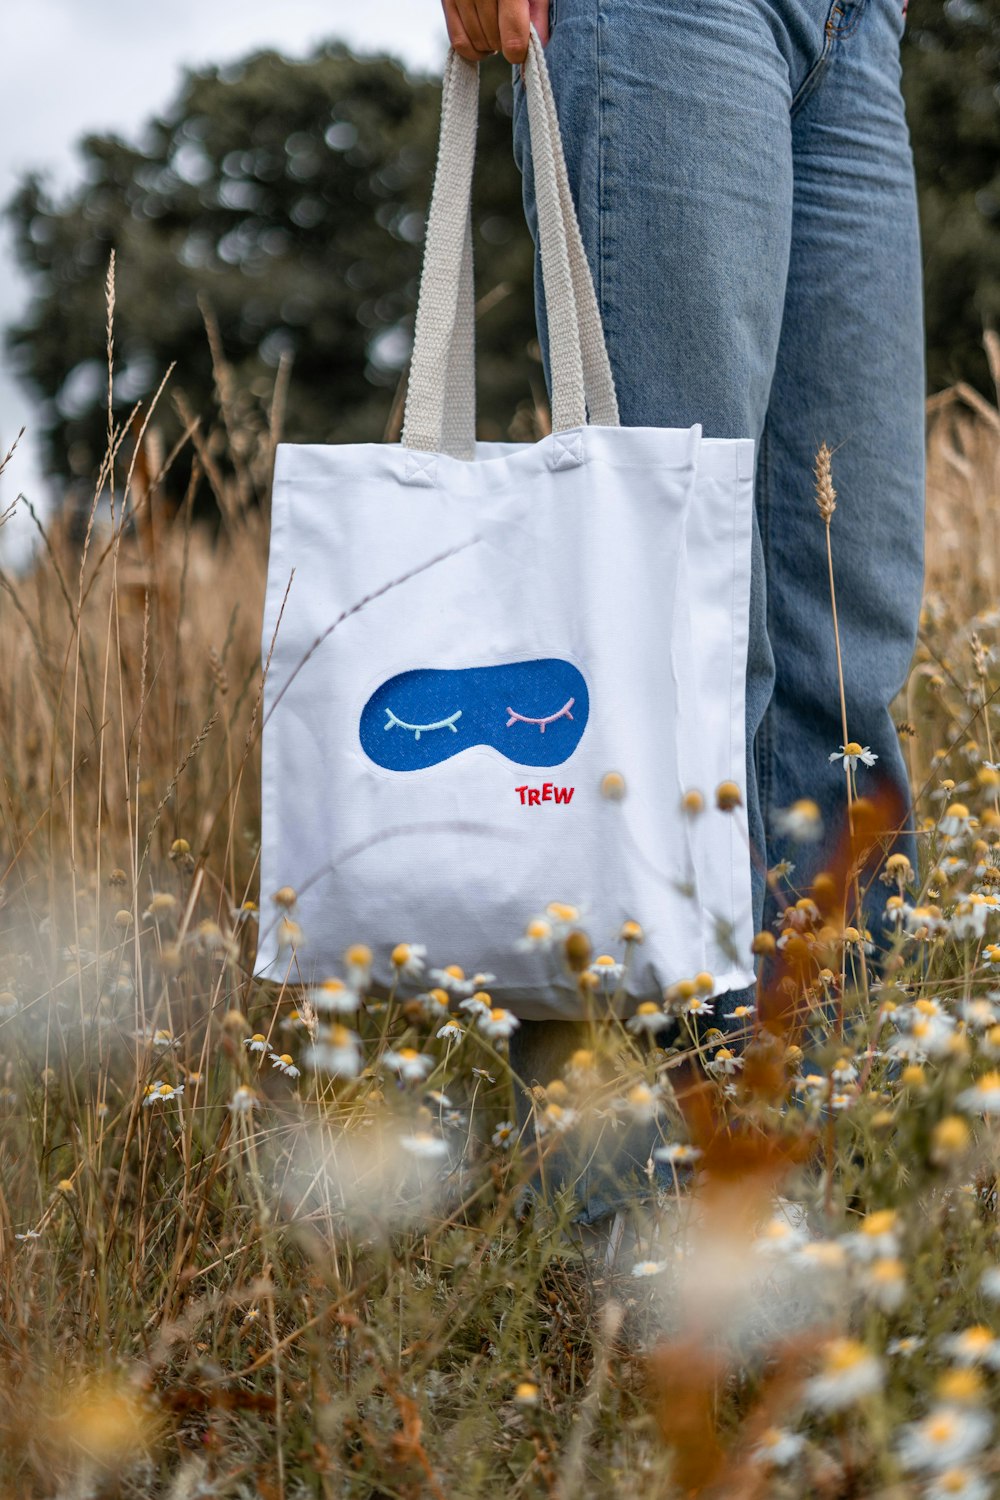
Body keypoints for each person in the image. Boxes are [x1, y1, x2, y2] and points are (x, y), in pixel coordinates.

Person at [439, 0, 926, 1234]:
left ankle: (830, 1175)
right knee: (672, 635)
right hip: (662, 16)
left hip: (858, 27)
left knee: (844, 622)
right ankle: (637, 1246)